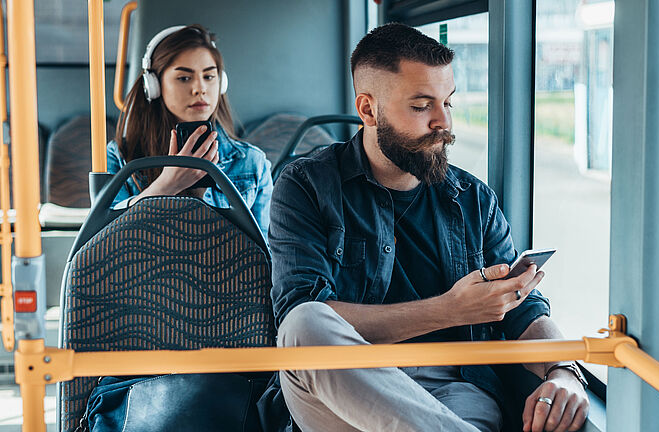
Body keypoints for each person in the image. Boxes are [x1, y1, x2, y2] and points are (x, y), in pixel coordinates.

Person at [269, 23, 589, 432]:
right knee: (303, 322)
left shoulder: (474, 199)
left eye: (448, 102)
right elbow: (301, 315)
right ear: (368, 110)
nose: (443, 122)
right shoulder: (307, 185)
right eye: (422, 106)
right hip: (342, 391)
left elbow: (522, 307)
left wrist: (563, 370)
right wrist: (450, 310)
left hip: (456, 391)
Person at [107, 24, 272, 237]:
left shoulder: (251, 162)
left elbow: (266, 257)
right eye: (184, 78)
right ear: (154, 85)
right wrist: (166, 186)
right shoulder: (120, 156)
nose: (200, 88)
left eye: (209, 77)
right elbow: (106, 244)